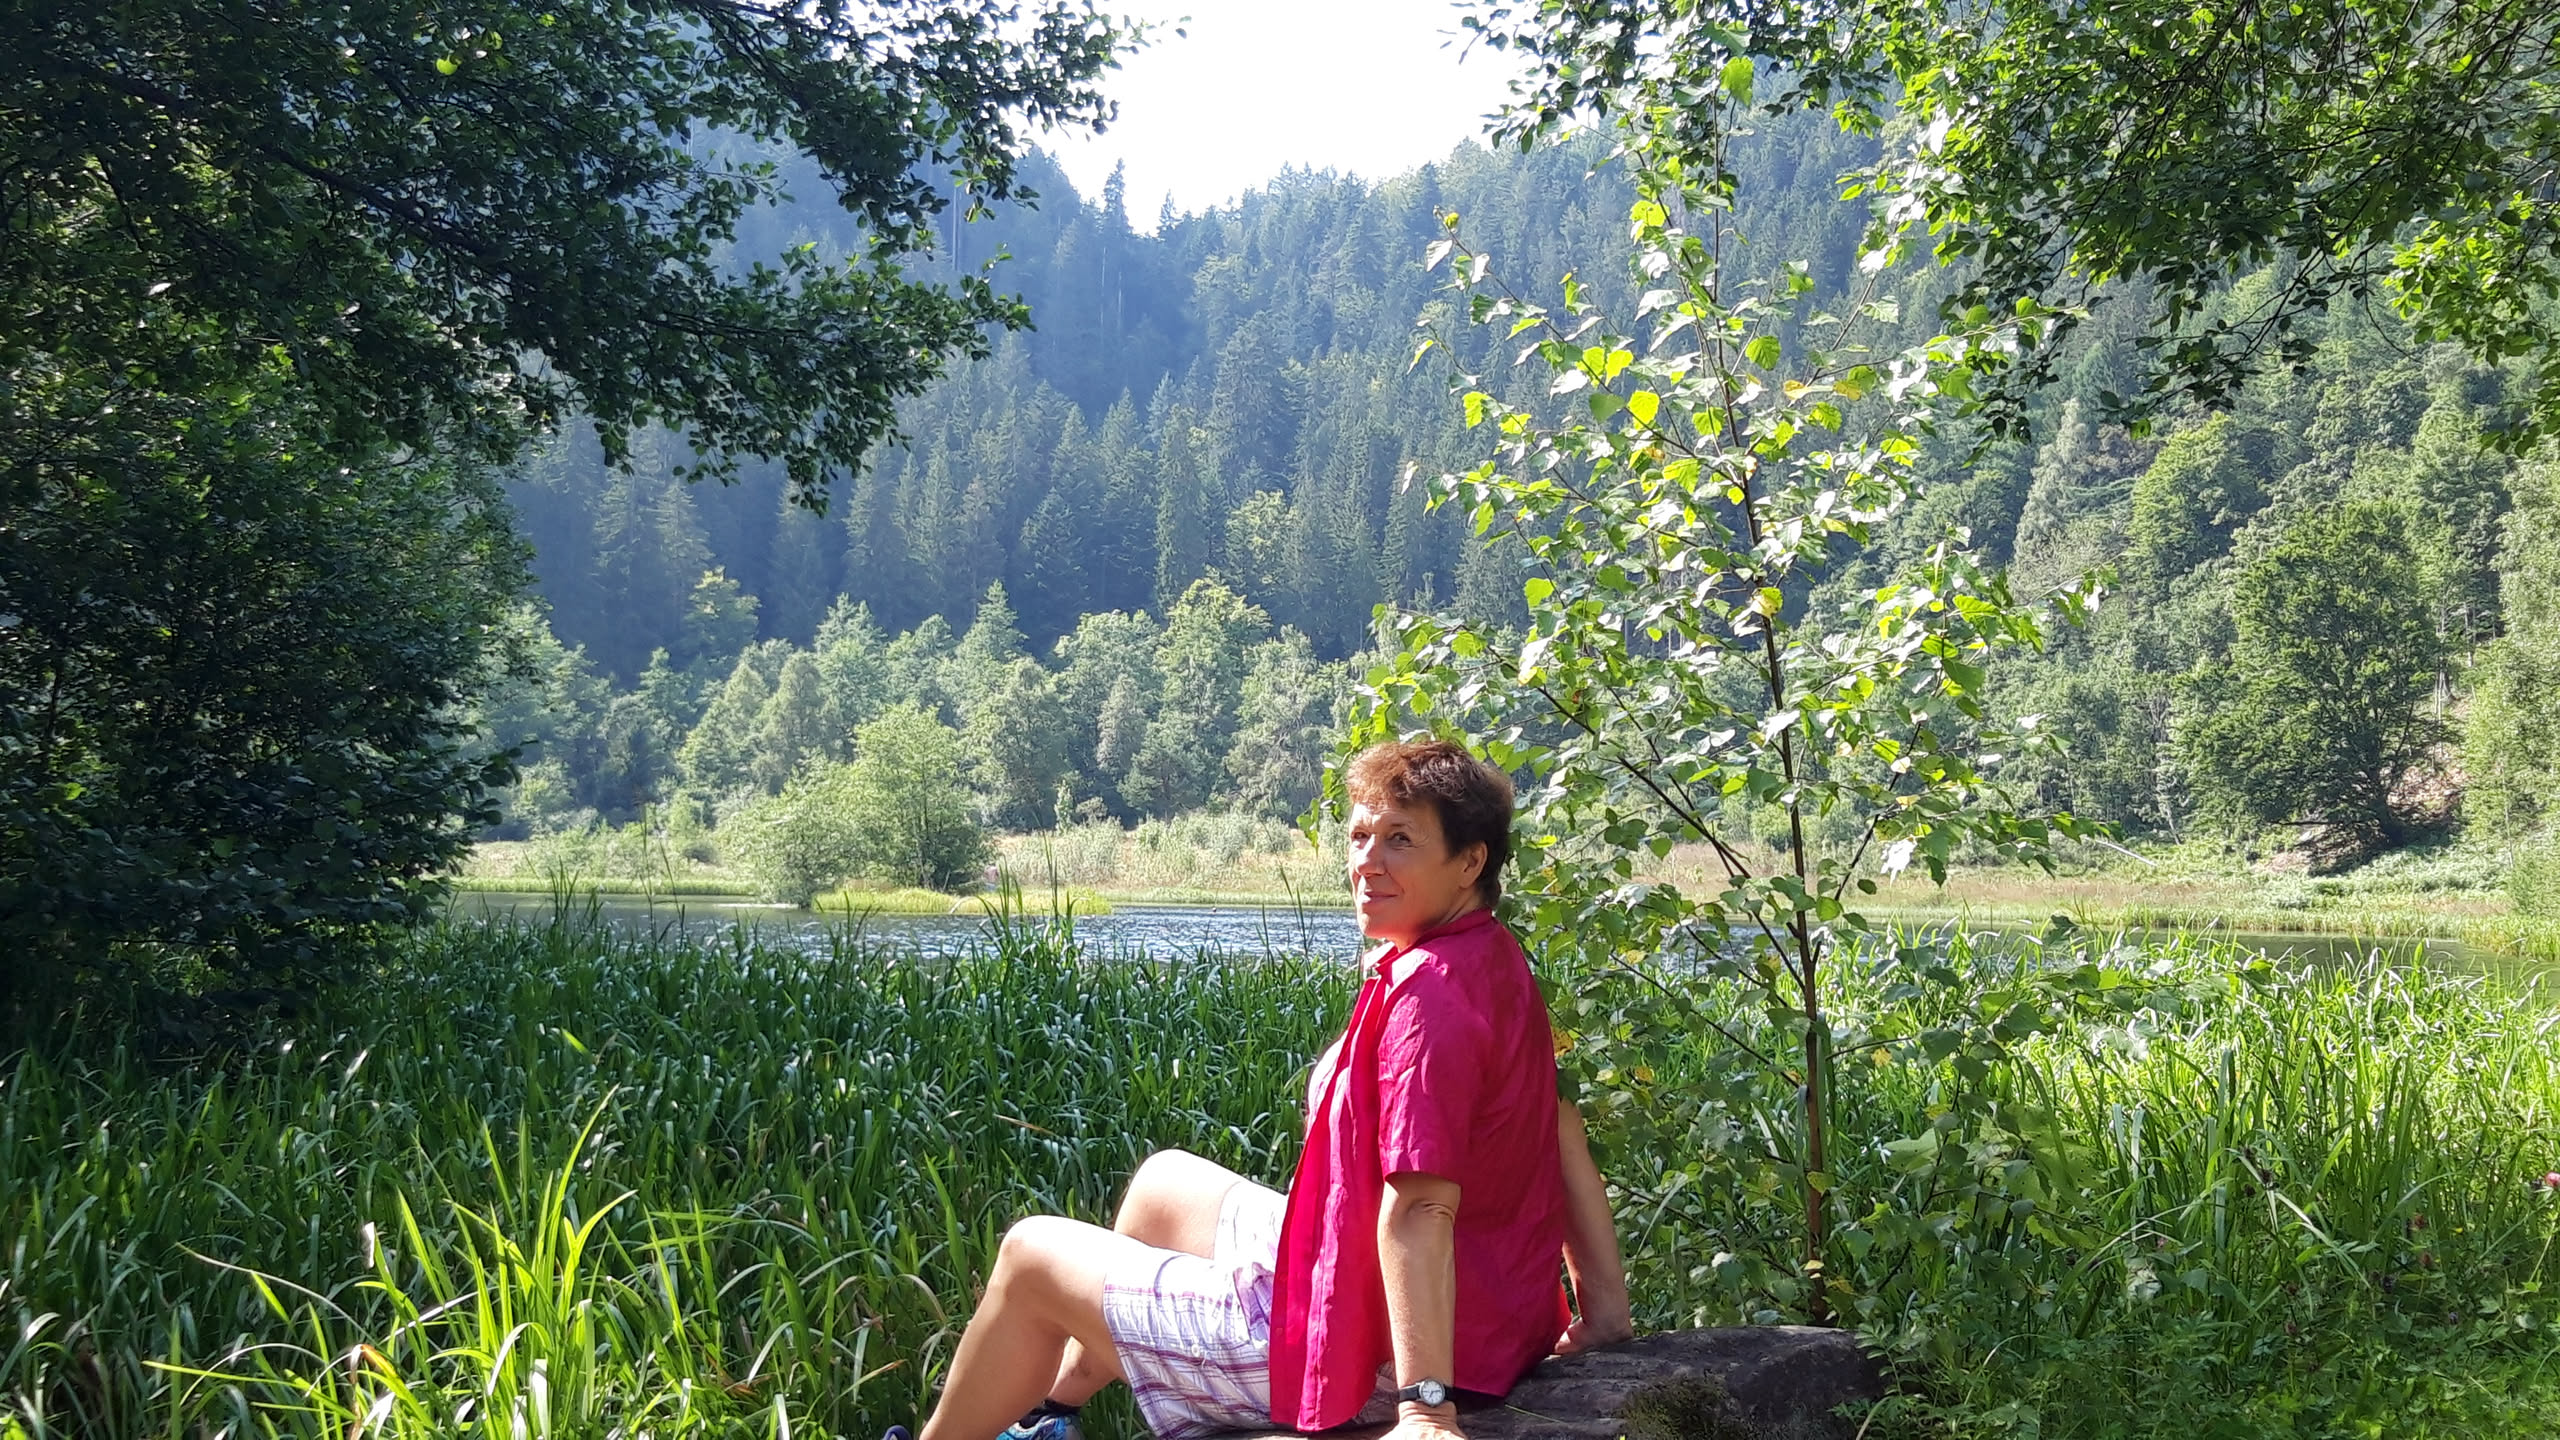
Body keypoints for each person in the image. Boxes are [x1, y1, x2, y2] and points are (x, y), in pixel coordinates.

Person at [889, 740, 1631, 1440]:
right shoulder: (1487, 956)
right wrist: (1604, 1314)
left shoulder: (1429, 997)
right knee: (1164, 1185)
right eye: (1360, 836)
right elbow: (1559, 1128)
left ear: (1469, 861)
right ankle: (1051, 1413)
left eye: (1400, 840)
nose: (1367, 862)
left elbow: (1420, 1207)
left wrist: (1425, 1407)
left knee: (1030, 1254)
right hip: (1473, 1314)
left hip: (1372, 1356)